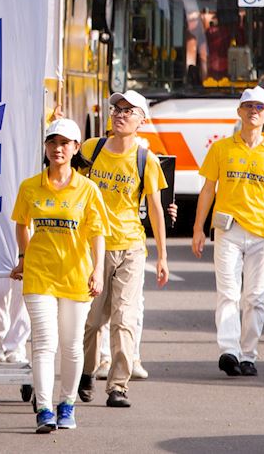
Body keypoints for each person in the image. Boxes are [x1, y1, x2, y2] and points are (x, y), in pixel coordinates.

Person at [191, 87, 264, 377]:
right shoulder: (221, 148)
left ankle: (248, 354)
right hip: (228, 231)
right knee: (227, 293)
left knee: (254, 297)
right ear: (239, 112)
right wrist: (198, 228)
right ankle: (229, 351)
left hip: (262, 234)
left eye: (260, 108)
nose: (254, 111)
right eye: (248, 106)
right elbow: (208, 189)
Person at [11, 118, 107, 433]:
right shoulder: (30, 187)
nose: (57, 149)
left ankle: (67, 404)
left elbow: (97, 234)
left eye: (64, 143)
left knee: (71, 345)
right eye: (52, 142)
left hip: (76, 276)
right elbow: (21, 224)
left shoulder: (88, 189)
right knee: (44, 343)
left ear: (76, 148)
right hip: (39, 276)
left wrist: (98, 270)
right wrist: (24, 258)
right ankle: (43, 408)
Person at [77, 90, 169, 409]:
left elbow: (155, 208)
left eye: (129, 111)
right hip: (93, 247)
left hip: (130, 247)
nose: (120, 114)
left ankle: (118, 385)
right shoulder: (92, 149)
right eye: (117, 109)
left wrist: (162, 256)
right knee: (91, 320)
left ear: (142, 121)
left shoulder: (147, 160)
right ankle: (87, 372)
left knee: (124, 319)